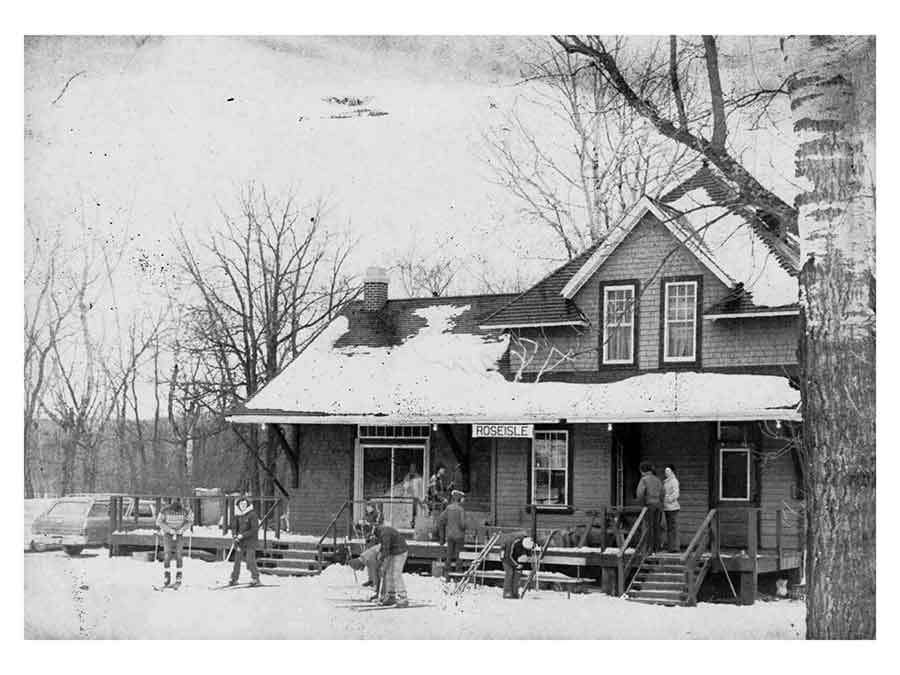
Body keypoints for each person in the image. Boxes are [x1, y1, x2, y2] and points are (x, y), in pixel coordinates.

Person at [155, 498, 194, 588]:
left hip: (179, 534)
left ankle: (179, 576)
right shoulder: (165, 510)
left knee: (179, 554)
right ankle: (167, 576)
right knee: (167, 554)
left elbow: (190, 521)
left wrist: (182, 529)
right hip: (168, 534)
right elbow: (159, 521)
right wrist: (169, 529)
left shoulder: (185, 511)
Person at [374, 524, 409, 607]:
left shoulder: (384, 533)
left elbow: (386, 549)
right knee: (389, 573)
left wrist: (381, 560)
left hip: (400, 551)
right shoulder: (381, 532)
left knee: (396, 574)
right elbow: (384, 546)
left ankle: (403, 598)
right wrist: (380, 553)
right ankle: (391, 596)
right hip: (393, 551)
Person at [229, 497, 260, 586]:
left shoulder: (252, 515)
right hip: (240, 542)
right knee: (237, 560)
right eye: (241, 505)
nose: (242, 506)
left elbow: (254, 529)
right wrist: (234, 535)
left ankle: (255, 578)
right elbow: (234, 527)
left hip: (250, 541)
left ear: (247, 505)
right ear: (238, 505)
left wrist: (243, 535)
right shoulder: (237, 515)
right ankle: (234, 578)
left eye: (244, 504)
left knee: (250, 560)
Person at [437, 489, 467, 579]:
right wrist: (466, 526)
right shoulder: (461, 509)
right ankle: (458, 576)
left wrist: (441, 538)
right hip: (459, 537)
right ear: (459, 499)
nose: (463, 500)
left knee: (449, 555)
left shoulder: (448, 508)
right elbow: (462, 524)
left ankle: (447, 575)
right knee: (459, 556)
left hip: (449, 536)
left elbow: (440, 520)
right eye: (462, 498)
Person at [635, 461, 663, 553]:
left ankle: (647, 550)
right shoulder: (657, 479)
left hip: (649, 505)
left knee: (647, 527)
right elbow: (663, 493)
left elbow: (640, 494)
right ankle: (656, 549)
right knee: (656, 527)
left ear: (642, 470)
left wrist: (643, 505)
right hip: (658, 506)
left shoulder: (644, 480)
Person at [498, 531, 534, 599]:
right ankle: (507, 593)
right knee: (510, 572)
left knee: (517, 573)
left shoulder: (528, 541)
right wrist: (516, 565)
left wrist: (527, 557)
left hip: (516, 555)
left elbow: (528, 551)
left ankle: (515, 593)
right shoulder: (511, 542)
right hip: (506, 556)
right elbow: (508, 557)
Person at [663, 464, 681, 552]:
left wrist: (668, 499)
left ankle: (675, 547)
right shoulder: (666, 481)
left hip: (673, 507)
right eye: (665, 471)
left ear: (672, 471)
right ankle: (671, 547)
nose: (666, 472)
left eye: (668, 471)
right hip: (667, 507)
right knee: (670, 528)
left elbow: (676, 493)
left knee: (673, 528)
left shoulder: (674, 481)